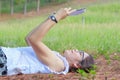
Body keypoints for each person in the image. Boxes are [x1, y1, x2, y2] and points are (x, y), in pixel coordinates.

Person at [0, 8, 94, 76]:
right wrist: (51, 17)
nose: (76, 50)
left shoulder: (59, 64)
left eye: (80, 53)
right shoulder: (57, 58)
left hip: (5, 60)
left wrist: (57, 17)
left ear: (77, 65)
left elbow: (34, 39)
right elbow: (29, 39)